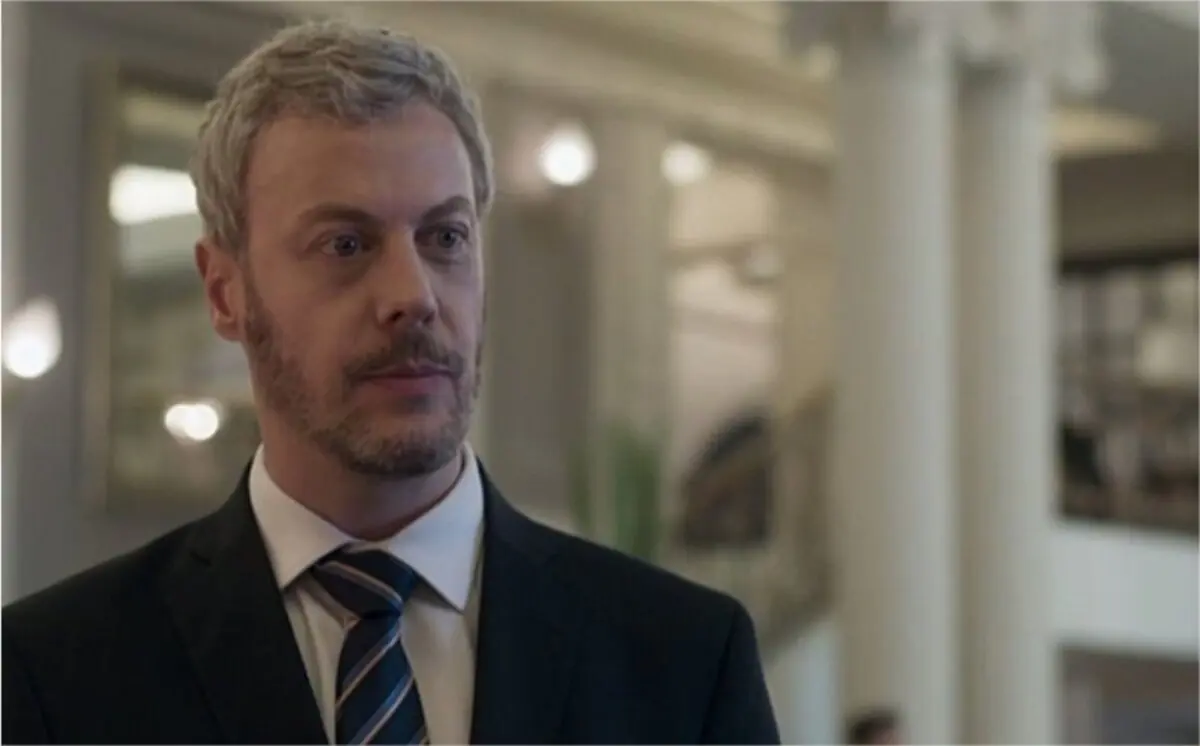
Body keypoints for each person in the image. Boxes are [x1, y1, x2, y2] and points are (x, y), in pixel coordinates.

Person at [1, 20, 780, 746]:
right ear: (224, 291)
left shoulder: (682, 661)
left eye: (446, 237)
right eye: (345, 243)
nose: (414, 295)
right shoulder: (55, 673)